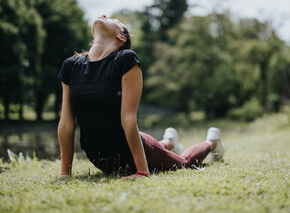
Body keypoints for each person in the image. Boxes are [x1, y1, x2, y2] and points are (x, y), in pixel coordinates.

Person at [57, 14, 224, 179]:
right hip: (99, 158)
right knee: (161, 152)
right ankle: (169, 142)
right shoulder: (71, 66)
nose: (104, 16)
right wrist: (65, 173)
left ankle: (212, 142)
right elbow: (66, 124)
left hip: (130, 151)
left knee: (184, 162)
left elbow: (128, 118)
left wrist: (142, 171)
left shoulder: (125, 59)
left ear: (121, 37)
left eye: (114, 21)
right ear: (93, 40)